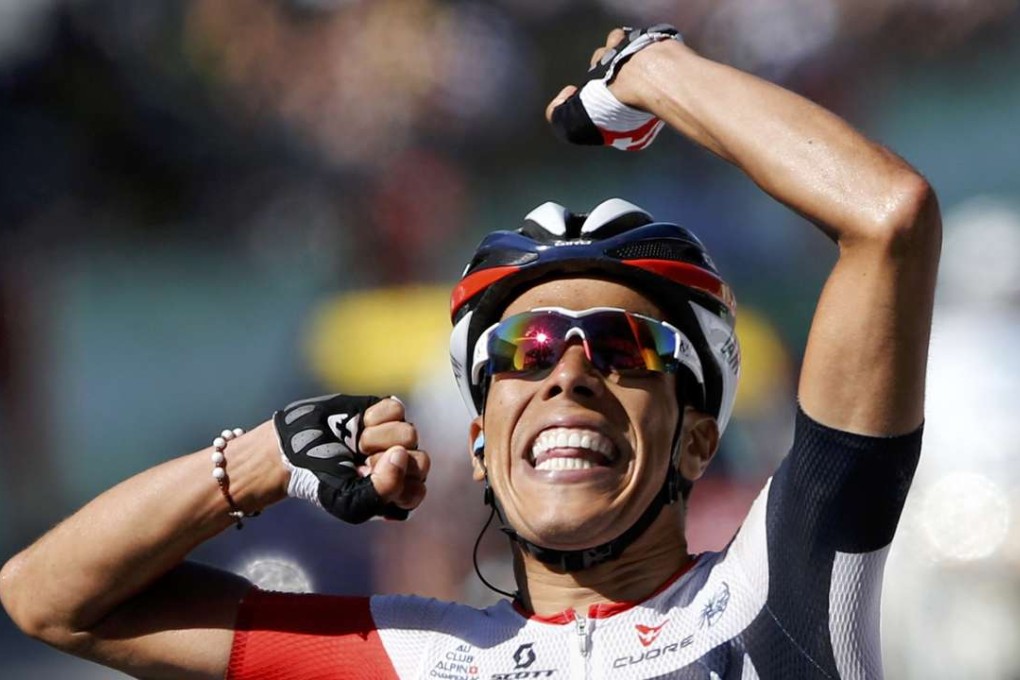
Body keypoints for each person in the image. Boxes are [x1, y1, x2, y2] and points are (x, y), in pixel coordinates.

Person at [0, 25, 940, 679]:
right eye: (524, 352)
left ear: (697, 441)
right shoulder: (415, 659)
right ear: (483, 444)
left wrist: (654, 72)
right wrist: (261, 462)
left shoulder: (781, 584)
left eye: (624, 350)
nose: (569, 372)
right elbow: (49, 602)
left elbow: (887, 219)